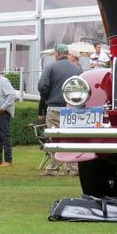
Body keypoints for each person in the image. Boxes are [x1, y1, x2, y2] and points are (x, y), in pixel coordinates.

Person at [38, 44, 82, 176]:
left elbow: (42, 86)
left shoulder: (50, 67)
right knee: (71, 138)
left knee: (55, 139)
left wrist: (47, 98)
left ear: (57, 54)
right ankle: (73, 168)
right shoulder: (77, 69)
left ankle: (53, 168)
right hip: (72, 108)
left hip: (55, 108)